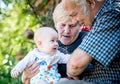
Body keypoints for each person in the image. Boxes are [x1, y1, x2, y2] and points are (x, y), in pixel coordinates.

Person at [21, 2, 90, 84]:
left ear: (80, 25)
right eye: (63, 25)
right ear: (55, 25)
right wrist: (26, 77)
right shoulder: (47, 44)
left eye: (72, 26)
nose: (67, 31)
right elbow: (27, 80)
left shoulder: (87, 40)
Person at [58, 0, 120, 84]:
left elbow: (75, 65)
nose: (74, 21)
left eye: (74, 14)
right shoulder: (99, 19)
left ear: (91, 3)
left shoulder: (112, 13)